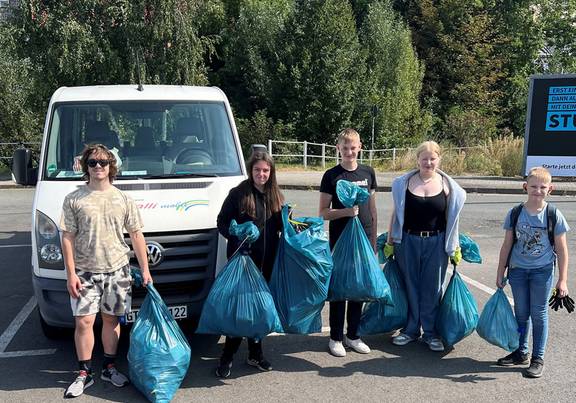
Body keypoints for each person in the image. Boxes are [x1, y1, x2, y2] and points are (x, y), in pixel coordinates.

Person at [61, 144, 152, 398]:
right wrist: (70, 274)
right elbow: (67, 237)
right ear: (85, 166)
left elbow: (136, 235)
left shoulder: (123, 199)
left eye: (103, 162)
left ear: (111, 166)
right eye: (92, 162)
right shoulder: (74, 199)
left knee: (111, 320)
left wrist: (144, 268)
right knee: (84, 321)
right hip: (85, 272)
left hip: (117, 270)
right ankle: (84, 373)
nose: (98, 166)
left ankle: (109, 367)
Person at [386, 140, 466, 352]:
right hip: (407, 241)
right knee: (410, 285)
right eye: (424, 158)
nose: (428, 162)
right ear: (417, 160)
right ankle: (410, 330)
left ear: (439, 159)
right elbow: (396, 212)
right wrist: (390, 239)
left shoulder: (448, 186)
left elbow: (453, 219)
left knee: (432, 288)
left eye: (433, 158)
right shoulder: (403, 183)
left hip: (436, 242)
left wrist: (454, 246)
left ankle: (431, 333)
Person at [215, 150, 285, 378]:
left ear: (271, 172)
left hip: (266, 264)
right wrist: (234, 232)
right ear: (250, 170)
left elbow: (282, 228)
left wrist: (298, 227)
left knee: (258, 310)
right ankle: (227, 356)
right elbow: (221, 222)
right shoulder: (238, 193)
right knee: (240, 311)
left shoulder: (275, 195)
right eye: (257, 170)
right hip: (242, 261)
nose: (261, 174)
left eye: (266, 170)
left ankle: (255, 353)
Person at [495, 166, 569, 378]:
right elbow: (507, 245)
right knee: (521, 314)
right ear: (525, 187)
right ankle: (521, 352)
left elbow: (562, 250)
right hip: (518, 271)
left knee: (539, 314)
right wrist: (501, 272)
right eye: (533, 186)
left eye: (542, 187)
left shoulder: (553, 214)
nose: (538, 191)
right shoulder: (516, 212)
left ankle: (538, 357)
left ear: (550, 189)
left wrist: (562, 280)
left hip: (542, 272)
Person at [319, 128, 377, 357]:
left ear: (360, 147)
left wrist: (372, 242)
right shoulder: (331, 175)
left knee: (358, 289)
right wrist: (345, 212)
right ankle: (335, 337)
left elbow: (372, 210)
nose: (349, 152)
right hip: (340, 241)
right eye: (345, 148)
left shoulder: (368, 172)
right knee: (340, 289)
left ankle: (353, 335)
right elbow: (323, 212)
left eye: (353, 147)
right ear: (338, 149)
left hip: (363, 241)